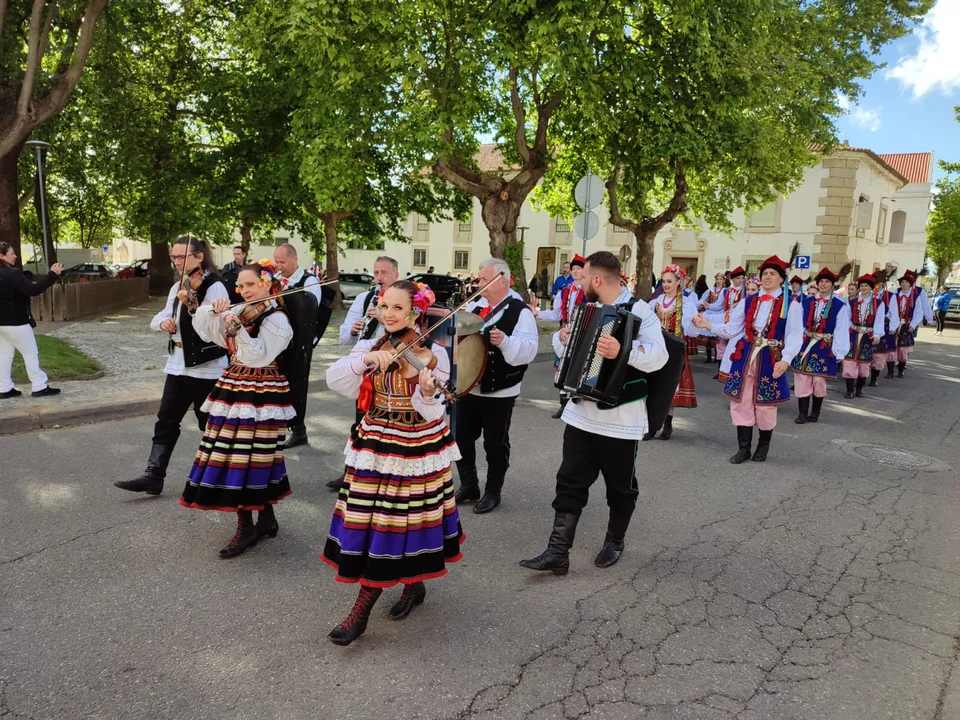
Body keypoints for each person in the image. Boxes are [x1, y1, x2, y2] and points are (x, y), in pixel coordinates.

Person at [323, 281, 463, 646]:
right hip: (374, 440)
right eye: (385, 305)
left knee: (401, 520)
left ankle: (361, 612)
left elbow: (433, 411)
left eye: (398, 308)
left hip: (414, 445)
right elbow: (335, 380)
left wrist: (430, 391)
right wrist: (365, 359)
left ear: (414, 313)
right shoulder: (372, 343)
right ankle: (413, 586)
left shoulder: (434, 352)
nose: (388, 313)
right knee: (376, 521)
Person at [519, 251, 668, 575]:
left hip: (620, 420)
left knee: (620, 487)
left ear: (598, 279)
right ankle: (558, 552)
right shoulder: (588, 309)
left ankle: (615, 541)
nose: (580, 282)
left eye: (584, 277)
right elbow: (572, 352)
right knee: (569, 482)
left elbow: (659, 356)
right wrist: (561, 339)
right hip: (581, 413)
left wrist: (624, 350)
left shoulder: (641, 310)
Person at [180, 260, 295, 557]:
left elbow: (258, 356)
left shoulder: (277, 318)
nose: (244, 291)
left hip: (261, 390)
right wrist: (204, 310)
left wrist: (238, 330)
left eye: (250, 285)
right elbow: (212, 336)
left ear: (267, 284)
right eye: (241, 286)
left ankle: (247, 527)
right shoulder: (241, 311)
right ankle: (264, 519)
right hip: (234, 384)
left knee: (250, 457)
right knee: (237, 454)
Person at [114, 236, 228, 495]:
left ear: (199, 256)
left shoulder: (214, 287)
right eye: (174, 257)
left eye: (181, 257)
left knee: (210, 424)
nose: (176, 261)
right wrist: (164, 323)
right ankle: (153, 476)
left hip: (207, 367)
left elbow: (214, 332)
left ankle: (219, 478)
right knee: (166, 421)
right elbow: (162, 315)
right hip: (178, 365)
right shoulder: (179, 285)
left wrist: (193, 307)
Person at [693, 255, 803, 464]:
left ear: (782, 279)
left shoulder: (791, 305)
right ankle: (743, 448)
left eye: (772, 274)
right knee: (740, 400)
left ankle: (763, 446)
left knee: (765, 404)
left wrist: (786, 359)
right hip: (745, 356)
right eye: (765, 274)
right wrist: (708, 325)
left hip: (771, 357)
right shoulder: (748, 301)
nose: (768, 277)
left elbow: (794, 335)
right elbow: (732, 329)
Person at [455, 258, 538, 514]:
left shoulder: (519, 311)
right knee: (460, 438)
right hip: (470, 386)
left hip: (500, 389)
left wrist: (504, 341)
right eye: (478, 278)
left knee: (495, 443)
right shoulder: (476, 306)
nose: (478, 283)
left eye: (483, 279)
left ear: (501, 279)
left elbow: (528, 352)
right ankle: (470, 485)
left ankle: (493, 491)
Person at [328, 256, 401, 491]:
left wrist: (384, 318)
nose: (379, 277)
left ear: (396, 276)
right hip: (365, 366)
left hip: (393, 369)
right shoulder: (364, 298)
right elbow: (344, 335)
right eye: (376, 272)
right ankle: (352, 472)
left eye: (384, 273)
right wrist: (353, 328)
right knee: (360, 422)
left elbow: (414, 332)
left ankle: (384, 476)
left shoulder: (404, 299)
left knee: (387, 427)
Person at [273, 243, 333, 449]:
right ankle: (277, 428)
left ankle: (299, 430)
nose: (279, 266)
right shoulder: (275, 281)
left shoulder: (309, 281)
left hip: (299, 342)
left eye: (282, 262)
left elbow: (309, 314)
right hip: (278, 341)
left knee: (296, 386)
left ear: (294, 260)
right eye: (276, 262)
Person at [0, 241, 63, 399]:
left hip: (1, 324)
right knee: (30, 353)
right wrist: (52, 275)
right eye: (11, 253)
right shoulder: (12, 274)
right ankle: (39, 386)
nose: (15, 256)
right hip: (17, 322)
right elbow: (32, 289)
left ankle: (4, 388)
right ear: (1, 255)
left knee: (4, 355)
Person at [790, 267, 850, 424]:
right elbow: (797, 325)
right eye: (821, 281)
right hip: (805, 343)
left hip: (824, 346)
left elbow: (841, 328)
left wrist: (839, 351)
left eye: (827, 282)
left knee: (818, 381)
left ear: (832, 285)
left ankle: (815, 412)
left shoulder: (839, 305)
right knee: (802, 379)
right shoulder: (806, 302)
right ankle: (802, 412)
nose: (823, 284)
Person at [647, 264, 698, 440]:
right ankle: (651, 425)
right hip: (656, 346)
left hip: (674, 349)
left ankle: (667, 424)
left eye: (670, 281)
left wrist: (696, 323)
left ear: (679, 282)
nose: (666, 285)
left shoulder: (686, 303)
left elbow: (692, 331)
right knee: (653, 385)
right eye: (664, 281)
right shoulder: (656, 302)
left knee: (670, 388)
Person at [536, 254, 586, 419]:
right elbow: (557, 314)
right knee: (561, 369)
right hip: (565, 332)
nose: (576, 271)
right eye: (573, 269)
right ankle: (563, 404)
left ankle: (577, 405)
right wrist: (537, 313)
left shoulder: (589, 290)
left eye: (579, 268)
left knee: (579, 369)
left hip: (582, 333)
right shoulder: (565, 291)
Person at [841, 273, 885, 399]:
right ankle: (849, 390)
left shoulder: (878, 303)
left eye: (866, 285)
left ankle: (859, 389)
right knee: (849, 362)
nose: (864, 287)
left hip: (867, 335)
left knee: (863, 364)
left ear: (871, 287)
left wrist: (877, 335)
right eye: (862, 285)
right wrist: (850, 328)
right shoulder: (853, 302)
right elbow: (847, 318)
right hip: (853, 334)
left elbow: (879, 320)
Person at [703, 267, 746, 381]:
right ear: (732, 279)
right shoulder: (726, 291)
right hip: (726, 318)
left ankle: (735, 372)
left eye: (742, 278)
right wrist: (709, 306)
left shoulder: (745, 290)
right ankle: (721, 371)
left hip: (740, 322)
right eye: (738, 278)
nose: (741, 280)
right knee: (721, 346)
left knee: (736, 346)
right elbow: (719, 305)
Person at [893, 270, 928, 377]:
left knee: (903, 349)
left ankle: (901, 370)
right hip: (895, 323)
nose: (903, 284)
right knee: (892, 347)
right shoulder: (895, 294)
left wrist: (913, 325)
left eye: (906, 282)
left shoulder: (915, 296)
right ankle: (890, 371)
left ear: (910, 284)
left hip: (906, 324)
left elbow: (919, 312)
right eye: (902, 282)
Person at [872, 272, 900, 382]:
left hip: (884, 325)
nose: (876, 285)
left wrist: (893, 326)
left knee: (880, 354)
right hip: (869, 326)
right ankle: (862, 376)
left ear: (883, 283)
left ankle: (875, 378)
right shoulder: (867, 294)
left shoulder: (890, 296)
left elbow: (894, 312)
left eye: (878, 282)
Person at [696, 272, 726, 365]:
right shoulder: (710, 290)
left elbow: (720, 304)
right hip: (710, 313)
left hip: (719, 313)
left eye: (720, 279)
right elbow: (702, 299)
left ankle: (718, 356)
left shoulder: (724, 291)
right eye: (717, 279)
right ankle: (708, 356)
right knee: (708, 337)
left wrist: (709, 306)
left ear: (724, 280)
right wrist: (702, 303)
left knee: (718, 336)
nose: (718, 281)